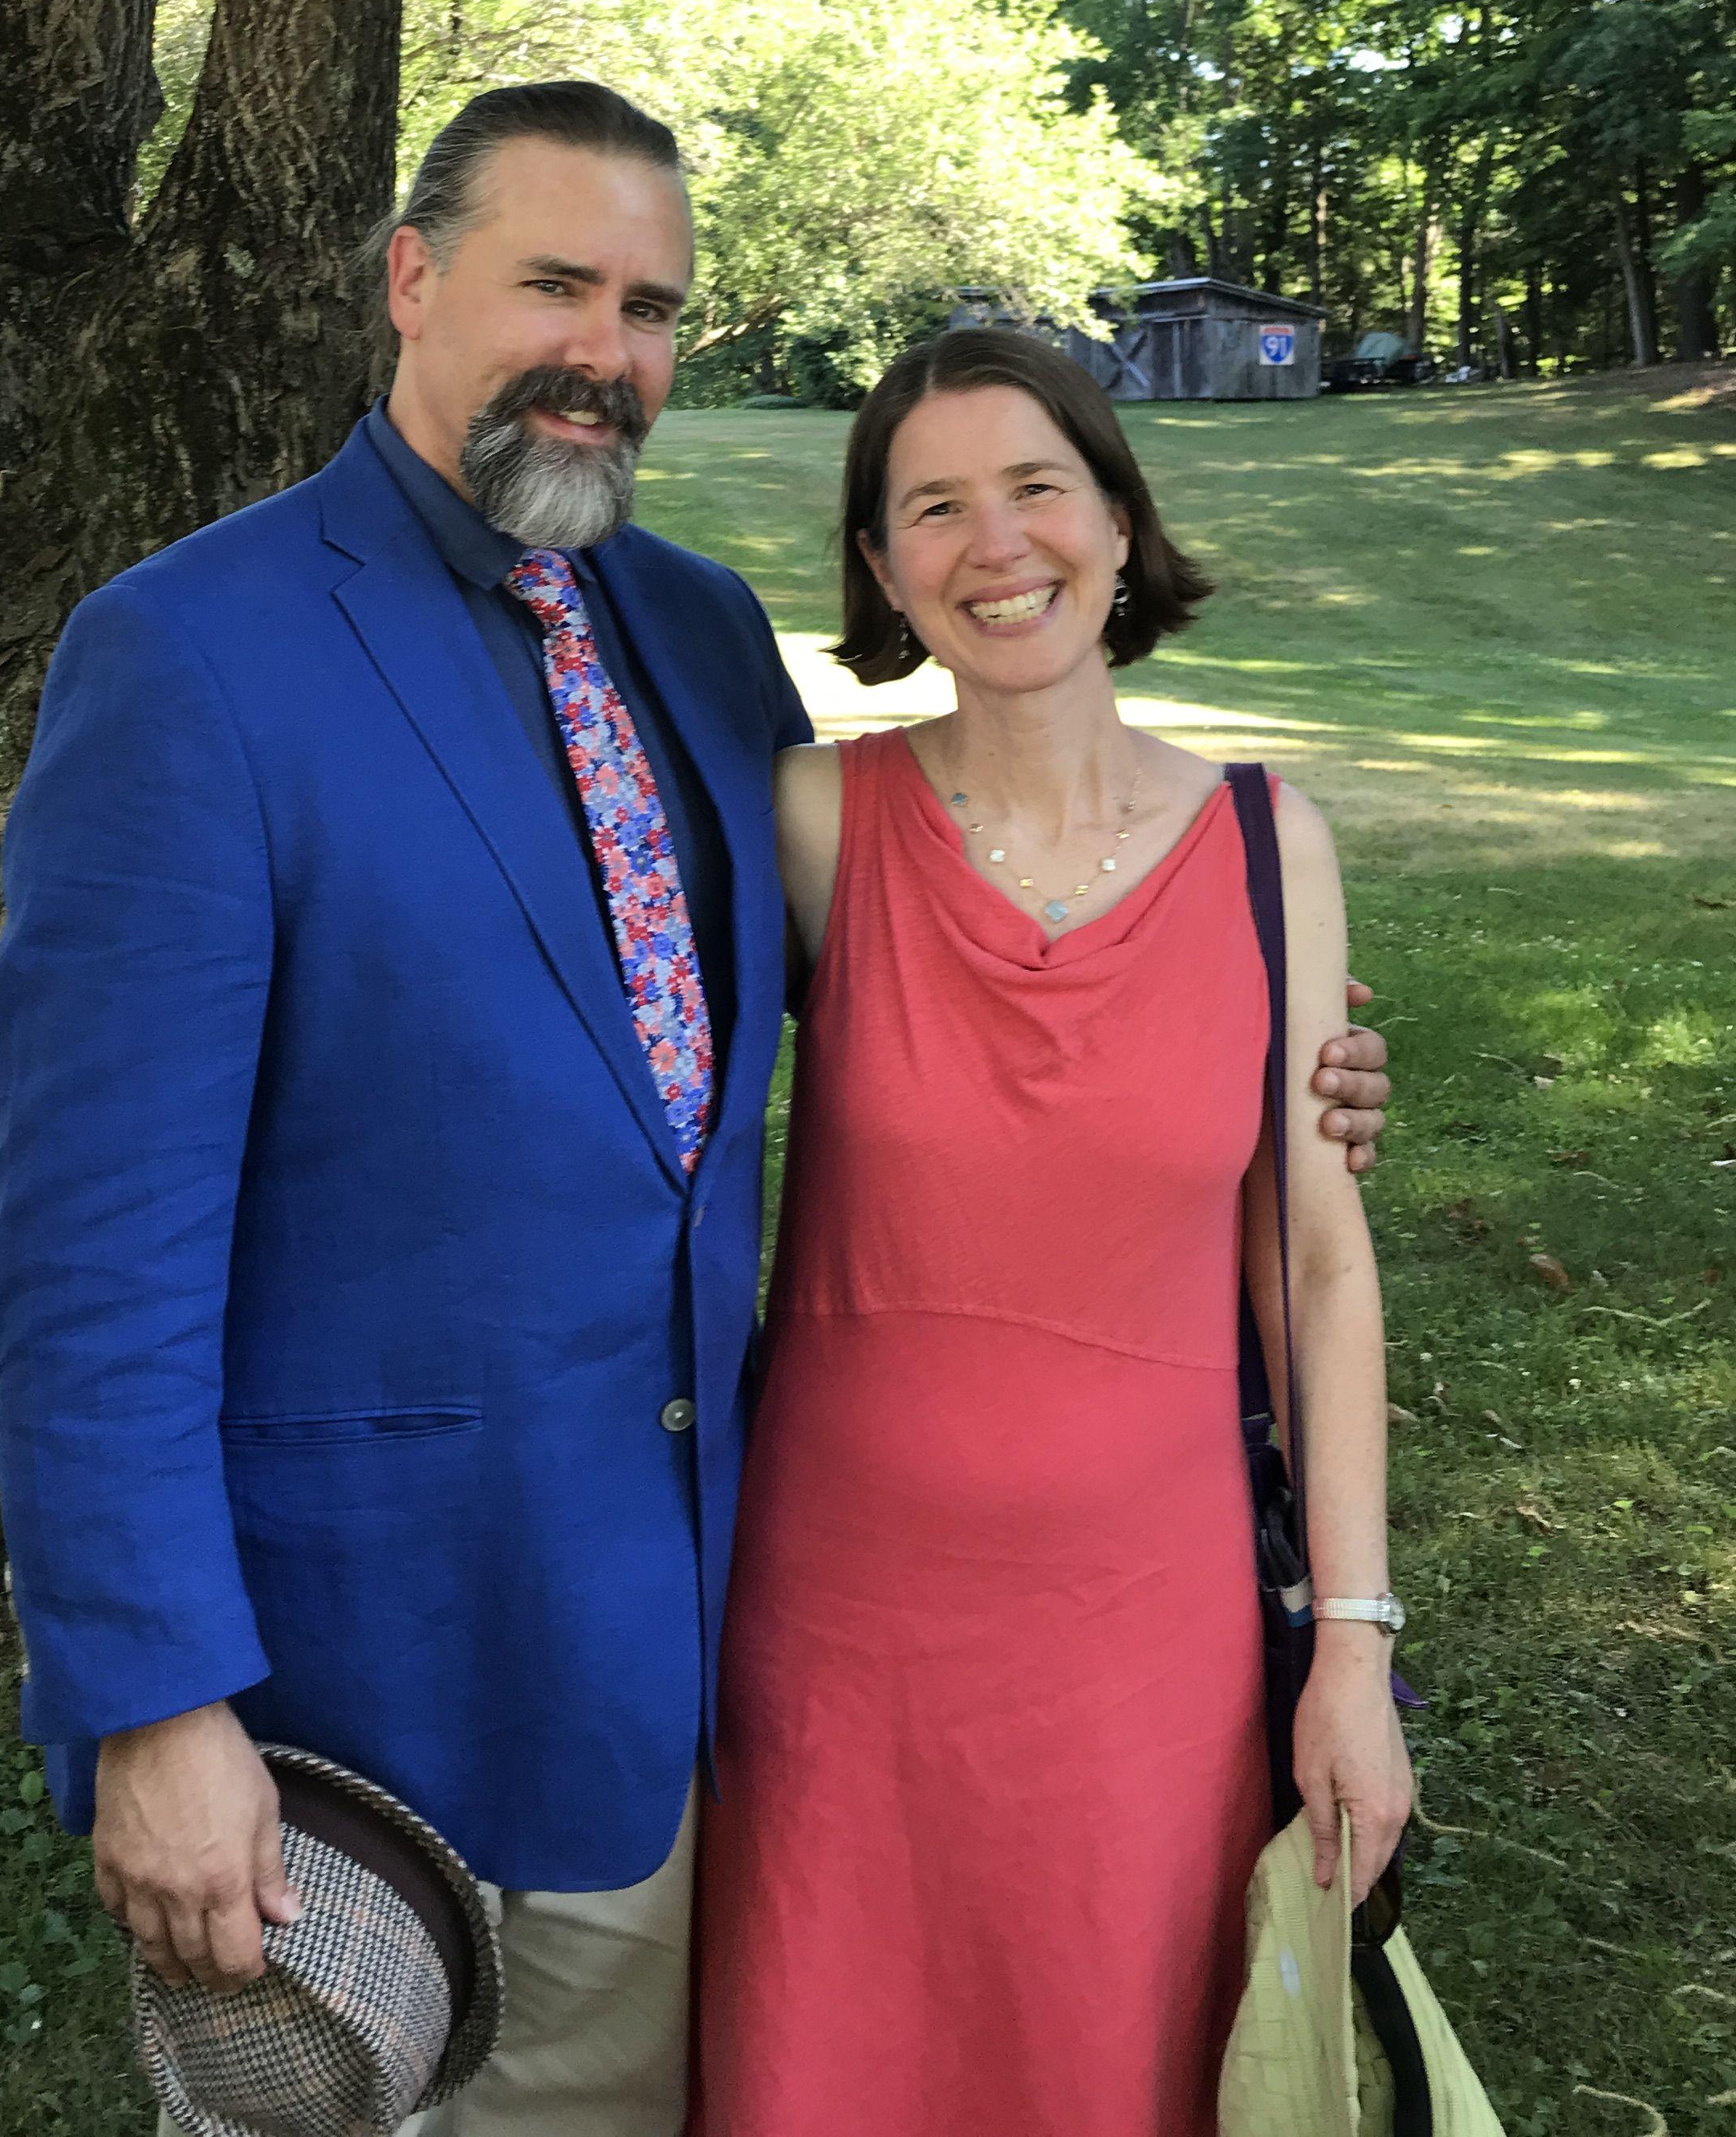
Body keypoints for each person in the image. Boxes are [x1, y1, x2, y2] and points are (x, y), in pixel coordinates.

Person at [0, 86, 1396, 2137]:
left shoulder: (696, 633)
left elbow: (929, 1006)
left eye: (651, 308)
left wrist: (1277, 1062)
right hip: (356, 1676)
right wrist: (153, 1702)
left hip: (687, 1634)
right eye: (555, 281)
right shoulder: (190, 654)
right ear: (409, 278)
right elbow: (87, 1254)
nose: (606, 351)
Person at [691, 324, 1414, 2137]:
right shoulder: (813, 826)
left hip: (1147, 1661)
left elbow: (1318, 1266)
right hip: (841, 1646)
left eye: (1037, 487)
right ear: (879, 568)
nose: (994, 544)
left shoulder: (1271, 847)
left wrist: (1352, 1646)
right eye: (932, 506)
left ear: (1117, 514)